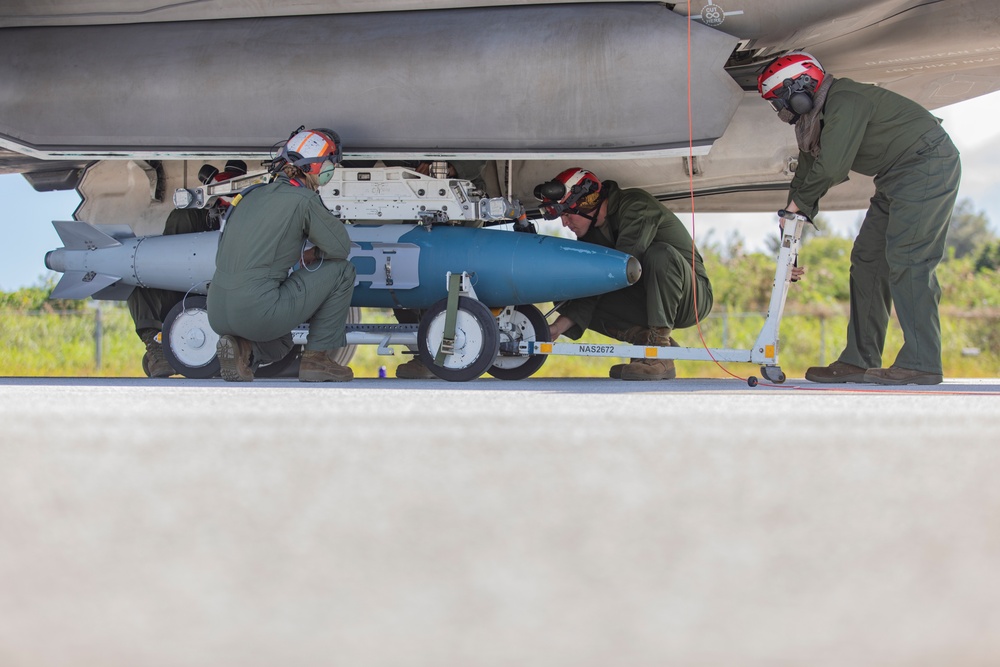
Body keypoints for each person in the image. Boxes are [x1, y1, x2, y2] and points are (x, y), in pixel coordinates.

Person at [758, 52, 961, 385]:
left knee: (909, 258)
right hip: (895, 175)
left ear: (801, 86)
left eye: (780, 99)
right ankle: (859, 359)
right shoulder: (816, 121)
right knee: (868, 259)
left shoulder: (844, 99)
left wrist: (798, 207)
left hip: (926, 163)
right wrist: (790, 238)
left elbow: (833, 167)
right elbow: (806, 180)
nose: (782, 110)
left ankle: (922, 361)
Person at [207, 127, 356, 382]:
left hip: (216, 311)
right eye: (329, 164)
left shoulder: (250, 196)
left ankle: (242, 348)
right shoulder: (303, 199)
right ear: (313, 168)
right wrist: (315, 253)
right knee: (343, 271)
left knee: (281, 344)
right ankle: (317, 360)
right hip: (258, 311)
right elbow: (340, 248)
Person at [535, 168, 713, 380]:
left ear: (587, 204)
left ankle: (657, 350)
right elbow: (594, 286)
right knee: (574, 286)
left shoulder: (635, 206)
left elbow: (623, 264)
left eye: (567, 213)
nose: (564, 223)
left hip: (691, 297)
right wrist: (556, 328)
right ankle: (645, 342)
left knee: (659, 255)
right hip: (647, 296)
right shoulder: (591, 237)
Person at [130, 160, 247, 377]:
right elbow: (166, 255)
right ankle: (157, 346)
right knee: (139, 279)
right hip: (185, 293)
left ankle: (245, 353)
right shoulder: (189, 217)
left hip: (233, 297)